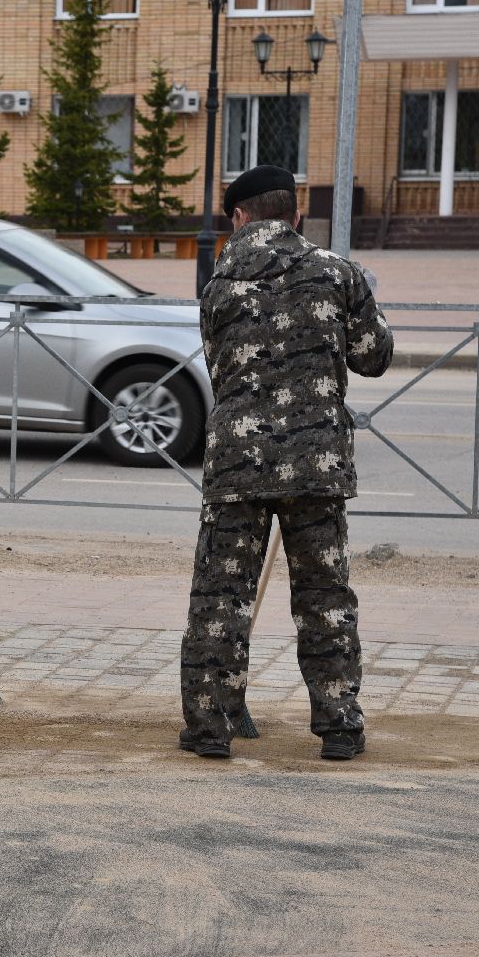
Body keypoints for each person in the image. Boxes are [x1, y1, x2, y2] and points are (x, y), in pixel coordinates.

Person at [179, 165, 394, 762]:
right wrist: (363, 295)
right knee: (324, 596)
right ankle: (340, 728)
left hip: (236, 467)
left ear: (239, 217)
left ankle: (208, 728)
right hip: (316, 465)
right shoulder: (336, 274)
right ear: (296, 216)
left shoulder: (218, 280)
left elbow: (220, 364)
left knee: (220, 600)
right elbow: (374, 358)